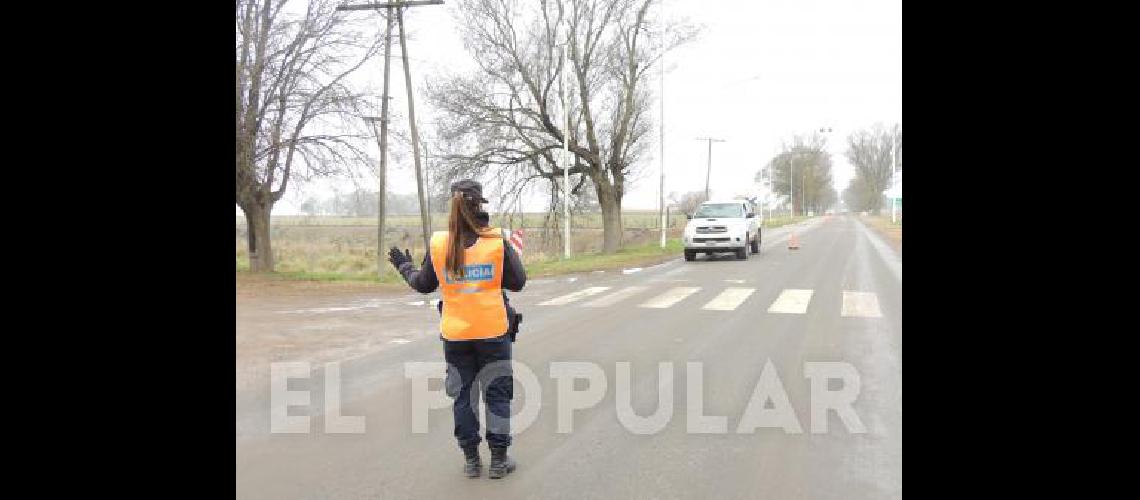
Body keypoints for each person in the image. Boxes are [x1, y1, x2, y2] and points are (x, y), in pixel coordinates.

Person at [388, 179, 526, 479]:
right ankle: (499, 461)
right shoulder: (494, 242)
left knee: (463, 396)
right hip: (493, 332)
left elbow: (423, 285)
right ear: (480, 206)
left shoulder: (439, 244)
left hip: (456, 336)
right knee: (498, 394)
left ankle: (472, 461)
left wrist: (404, 268)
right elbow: (518, 281)